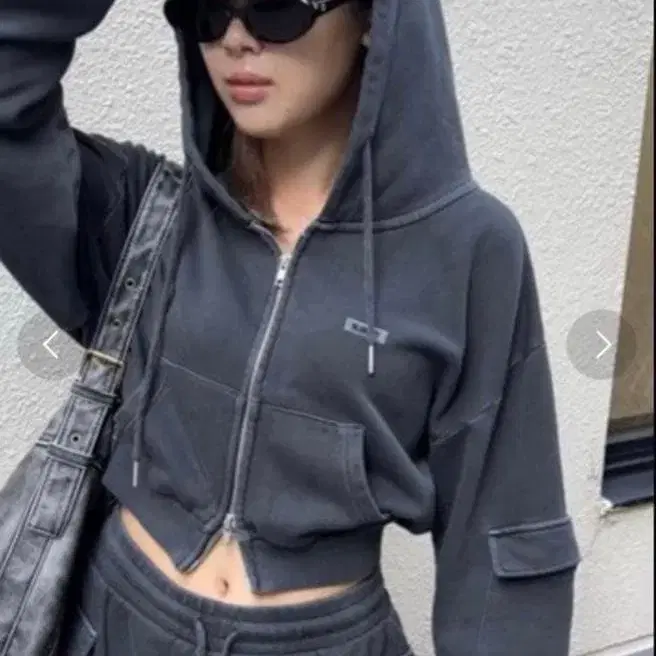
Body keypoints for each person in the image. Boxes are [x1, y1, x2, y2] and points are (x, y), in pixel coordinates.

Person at [0, 0, 581, 654]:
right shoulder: (150, 214)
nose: (236, 39)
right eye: (209, 10)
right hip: (115, 624)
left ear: (372, 18)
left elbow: (504, 547)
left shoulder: (471, 250)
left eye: (276, 8)